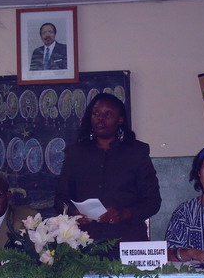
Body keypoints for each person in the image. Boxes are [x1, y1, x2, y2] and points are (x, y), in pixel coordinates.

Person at [54, 92, 161, 258]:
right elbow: (61, 198)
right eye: (96, 114)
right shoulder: (76, 153)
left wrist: (124, 213)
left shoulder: (136, 153)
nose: (100, 119)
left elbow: (153, 201)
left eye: (107, 114)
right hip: (83, 244)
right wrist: (73, 213)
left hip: (128, 243)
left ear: (120, 120)